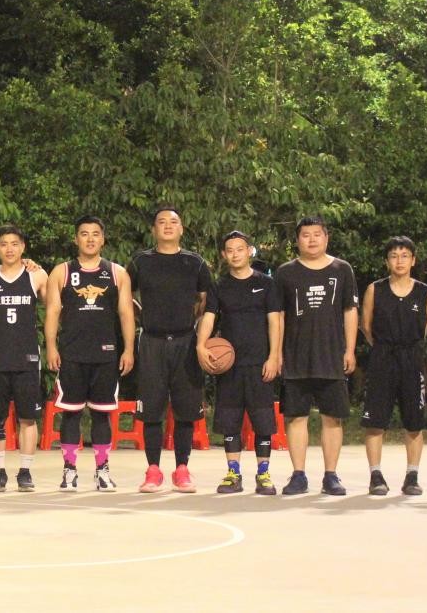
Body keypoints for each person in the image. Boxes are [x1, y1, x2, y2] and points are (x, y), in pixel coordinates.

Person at [44, 216, 135, 491]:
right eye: (84, 234)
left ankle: (102, 470)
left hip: (105, 354)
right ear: (76, 239)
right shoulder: (61, 272)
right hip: (72, 354)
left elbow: (126, 313)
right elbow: (52, 312)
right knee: (71, 414)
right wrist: (51, 346)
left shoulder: (117, 273)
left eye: (96, 234)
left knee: (101, 414)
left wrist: (129, 349)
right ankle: (69, 471)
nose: (90, 238)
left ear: (103, 239)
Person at [127, 206, 213, 493]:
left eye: (173, 222)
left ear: (181, 229)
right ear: (154, 229)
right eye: (161, 222)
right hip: (151, 342)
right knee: (152, 409)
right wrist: (140, 314)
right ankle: (153, 470)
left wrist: (193, 322)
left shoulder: (195, 262)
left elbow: (206, 299)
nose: (167, 226)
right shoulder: (141, 261)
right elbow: (124, 294)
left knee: (186, 409)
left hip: (185, 341)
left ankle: (182, 469)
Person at [274, 216, 358, 496]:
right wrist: (277, 352)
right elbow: (279, 315)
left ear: (326, 238)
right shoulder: (285, 272)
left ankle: (331, 476)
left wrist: (350, 349)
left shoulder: (342, 269)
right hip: (295, 355)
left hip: (332, 354)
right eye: (305, 235)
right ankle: (298, 475)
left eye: (317, 234)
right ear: (297, 240)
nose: (311, 239)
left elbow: (350, 311)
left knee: (332, 417)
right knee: (295, 417)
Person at [196, 231, 282, 495]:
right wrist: (201, 345)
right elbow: (209, 317)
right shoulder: (219, 286)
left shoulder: (266, 284)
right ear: (224, 255)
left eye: (240, 249)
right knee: (230, 421)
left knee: (263, 422)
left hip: (259, 363)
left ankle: (263, 474)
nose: (235, 254)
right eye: (230, 250)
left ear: (249, 251)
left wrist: (274, 356)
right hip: (229, 365)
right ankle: (233, 474)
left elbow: (275, 321)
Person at [359, 236, 427, 496]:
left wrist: (408, 349)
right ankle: (375, 475)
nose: (399, 261)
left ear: (413, 260)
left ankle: (412, 476)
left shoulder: (425, 291)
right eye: (394, 256)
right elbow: (366, 326)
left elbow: (424, 327)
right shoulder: (375, 289)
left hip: (411, 359)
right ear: (386, 261)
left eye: (404, 256)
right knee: (375, 421)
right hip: (382, 358)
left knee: (414, 422)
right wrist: (382, 347)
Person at [0, 224, 47, 491]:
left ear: (23, 247)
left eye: (15, 243)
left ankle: (25, 471)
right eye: (4, 243)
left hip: (27, 358)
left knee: (28, 418)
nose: (9, 249)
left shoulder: (37, 276)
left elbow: (54, 308)